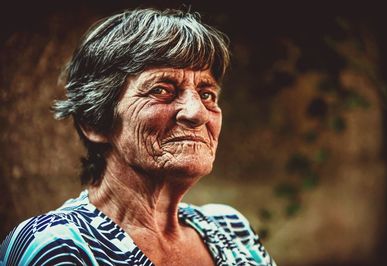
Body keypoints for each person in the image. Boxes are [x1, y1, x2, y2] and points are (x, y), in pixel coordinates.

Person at [0, 7, 276, 266]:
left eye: (207, 94)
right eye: (161, 90)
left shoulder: (229, 227)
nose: (197, 113)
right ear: (94, 122)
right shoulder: (57, 245)